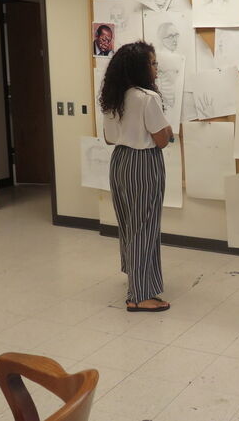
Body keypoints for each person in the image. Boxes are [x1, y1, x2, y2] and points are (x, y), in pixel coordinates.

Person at [100, 41, 173, 312]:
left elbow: (109, 139)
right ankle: (140, 295)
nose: (156, 69)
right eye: (153, 64)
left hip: (119, 162)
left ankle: (136, 278)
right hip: (143, 163)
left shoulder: (115, 98)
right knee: (145, 227)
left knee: (130, 225)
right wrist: (166, 130)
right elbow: (162, 140)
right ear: (140, 68)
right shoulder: (147, 98)